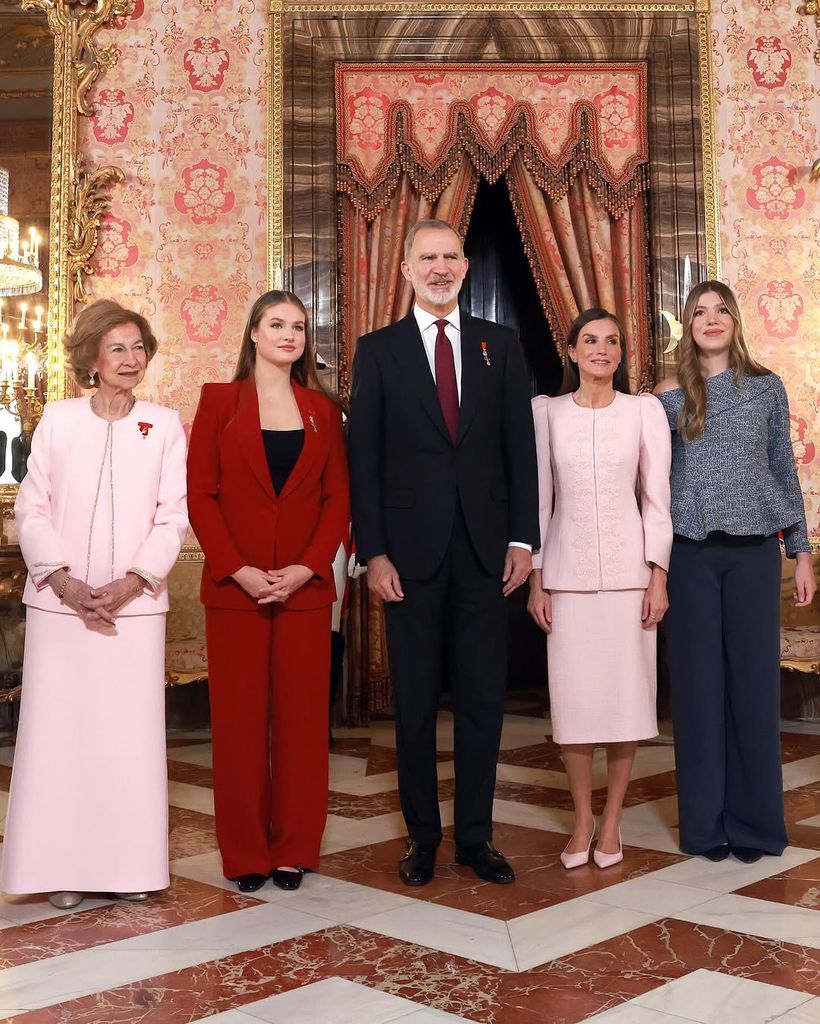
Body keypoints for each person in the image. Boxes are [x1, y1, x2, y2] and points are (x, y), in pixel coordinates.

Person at [348, 219, 539, 887]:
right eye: (426, 257)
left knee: (485, 700)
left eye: (450, 256)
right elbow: (362, 463)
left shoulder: (501, 346)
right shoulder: (378, 351)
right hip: (409, 555)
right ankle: (422, 840)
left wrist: (523, 539)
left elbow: (522, 452)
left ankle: (477, 839)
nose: (439, 267)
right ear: (406, 269)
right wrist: (373, 552)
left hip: (488, 553)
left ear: (464, 267)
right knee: (416, 704)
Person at [1, 299, 188, 909]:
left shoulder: (163, 424)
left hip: (133, 613)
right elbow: (32, 507)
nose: (131, 359)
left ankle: (129, 867)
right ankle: (62, 870)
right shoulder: (57, 419)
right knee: (61, 739)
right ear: (92, 358)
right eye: (118, 349)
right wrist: (63, 582)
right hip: (61, 610)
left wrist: (134, 581)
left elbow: (173, 517)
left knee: (128, 740)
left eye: (138, 347)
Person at [187, 290, 349, 893]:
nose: (289, 334)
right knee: (239, 726)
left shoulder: (322, 410)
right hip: (237, 591)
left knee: (305, 724)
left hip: (304, 592)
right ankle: (246, 852)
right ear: (252, 333)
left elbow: (338, 500)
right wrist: (239, 569)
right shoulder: (219, 402)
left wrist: (309, 567)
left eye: (299, 327)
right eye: (277, 324)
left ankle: (294, 848)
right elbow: (200, 494)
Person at [655, 281, 816, 863]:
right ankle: (704, 828)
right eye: (699, 311)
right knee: (697, 692)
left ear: (736, 319)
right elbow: (648, 480)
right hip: (690, 557)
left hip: (754, 556)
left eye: (721, 309)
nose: (711, 318)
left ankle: (755, 826)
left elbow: (782, 467)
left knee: (753, 689)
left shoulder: (766, 388)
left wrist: (800, 552)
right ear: (688, 326)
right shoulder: (668, 394)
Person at [527, 309, 672, 868]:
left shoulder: (644, 412)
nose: (602, 349)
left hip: (630, 579)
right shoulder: (546, 414)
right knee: (575, 705)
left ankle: (612, 820)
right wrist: (537, 578)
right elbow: (539, 503)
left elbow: (657, 498)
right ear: (571, 350)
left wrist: (657, 574)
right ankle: (581, 818)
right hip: (565, 577)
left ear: (621, 353)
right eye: (590, 340)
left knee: (625, 702)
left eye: (612, 341)